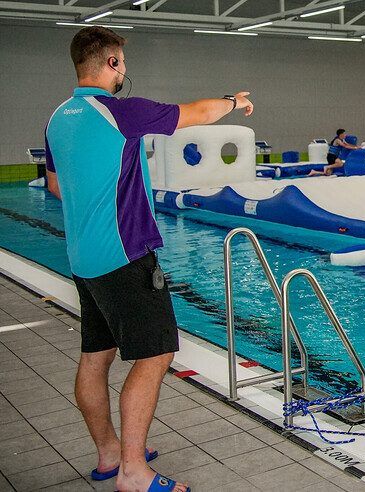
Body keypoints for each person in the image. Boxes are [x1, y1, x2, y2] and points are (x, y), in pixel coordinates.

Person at [45, 26, 254, 492]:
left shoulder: (58, 118)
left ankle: (108, 455)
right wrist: (234, 101)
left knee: (95, 358)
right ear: (112, 63)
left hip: (84, 259)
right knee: (156, 354)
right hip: (124, 254)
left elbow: (57, 187)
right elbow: (197, 113)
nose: (124, 69)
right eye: (121, 60)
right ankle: (134, 473)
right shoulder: (120, 113)